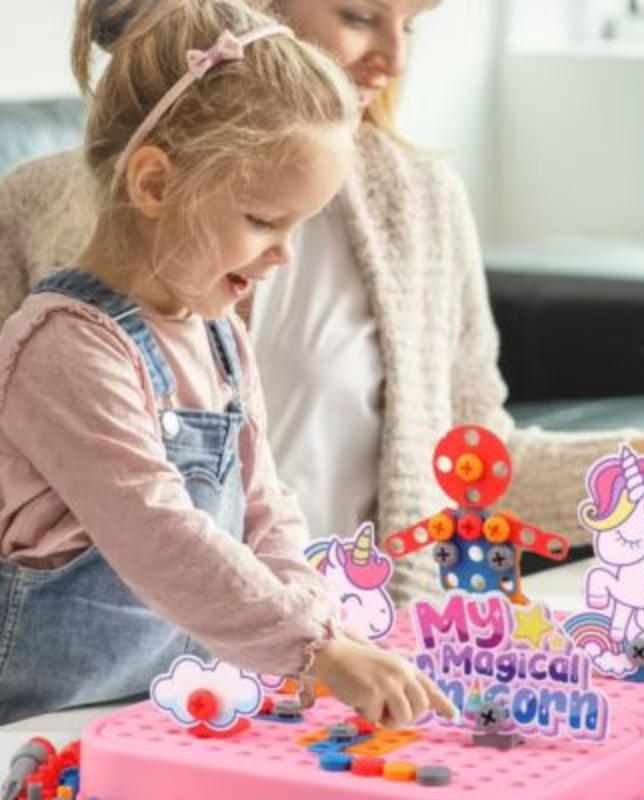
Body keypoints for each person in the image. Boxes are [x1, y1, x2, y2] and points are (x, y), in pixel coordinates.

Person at [0, 2, 644, 613]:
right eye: (358, 14)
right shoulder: (44, 211)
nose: (393, 57)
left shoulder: (419, 201)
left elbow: (468, 464)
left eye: (412, 21)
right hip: (123, 692)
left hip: (354, 678)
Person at [0, 0, 453, 726]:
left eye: (297, 225)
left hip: (152, 710)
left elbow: (266, 508)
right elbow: (159, 532)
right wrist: (314, 652)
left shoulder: (220, 337)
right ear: (154, 184)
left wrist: (321, 627)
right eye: (263, 221)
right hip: (34, 726)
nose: (283, 253)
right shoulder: (63, 349)